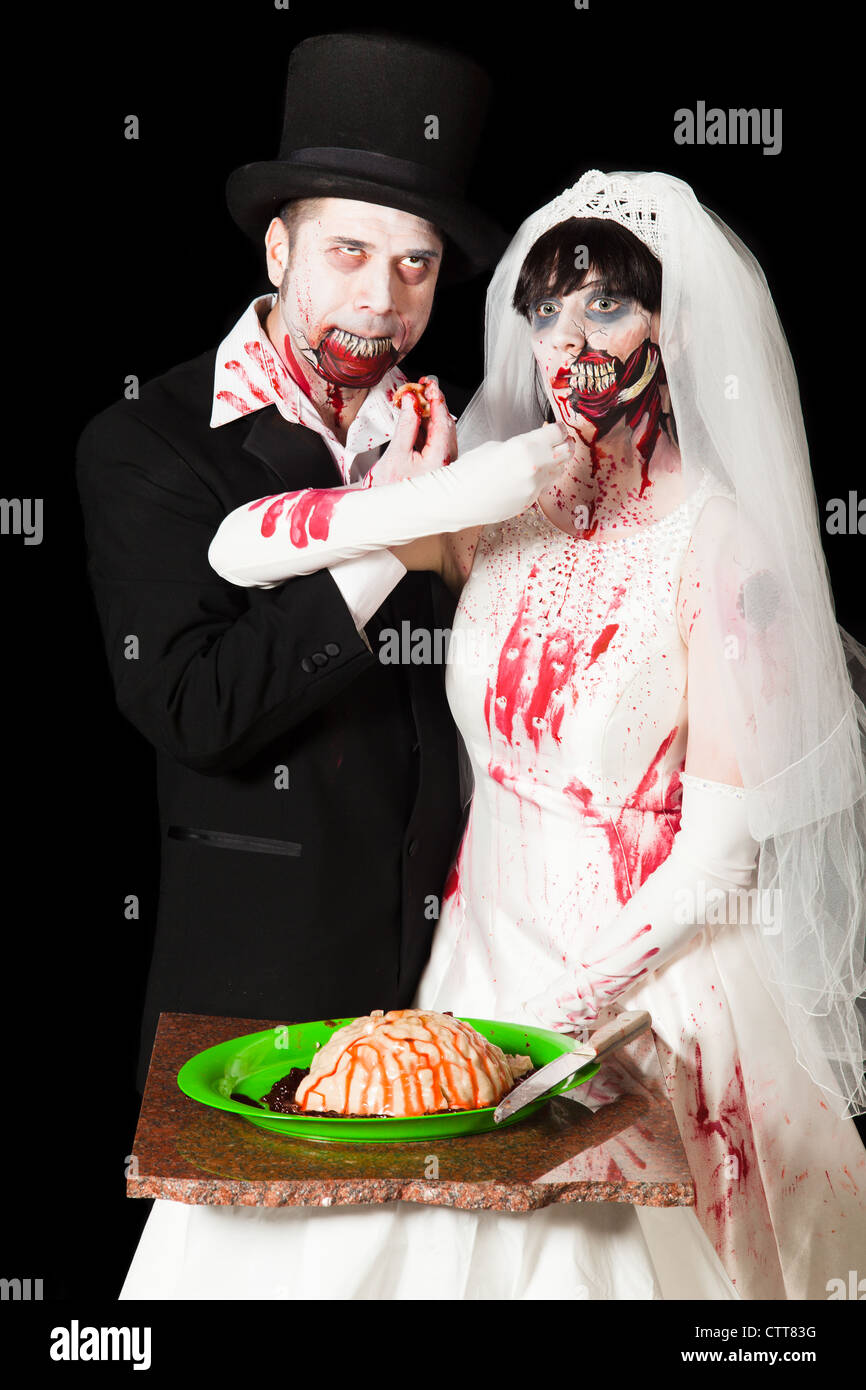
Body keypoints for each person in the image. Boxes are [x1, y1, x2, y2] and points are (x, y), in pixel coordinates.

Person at [121, 170, 866, 1301]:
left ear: (677, 328)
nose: (569, 339)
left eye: (608, 306)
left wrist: (540, 1030)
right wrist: (438, 496)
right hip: (465, 965)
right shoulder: (502, 506)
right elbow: (237, 549)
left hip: (631, 989)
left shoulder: (725, 551)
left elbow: (717, 859)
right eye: (546, 308)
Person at [75, 32, 521, 1098]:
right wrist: (390, 530)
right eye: (348, 253)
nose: (381, 301)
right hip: (256, 996)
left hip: (462, 993)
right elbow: (194, 707)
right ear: (278, 252)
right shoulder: (149, 440)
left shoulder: (454, 433)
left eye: (413, 264)